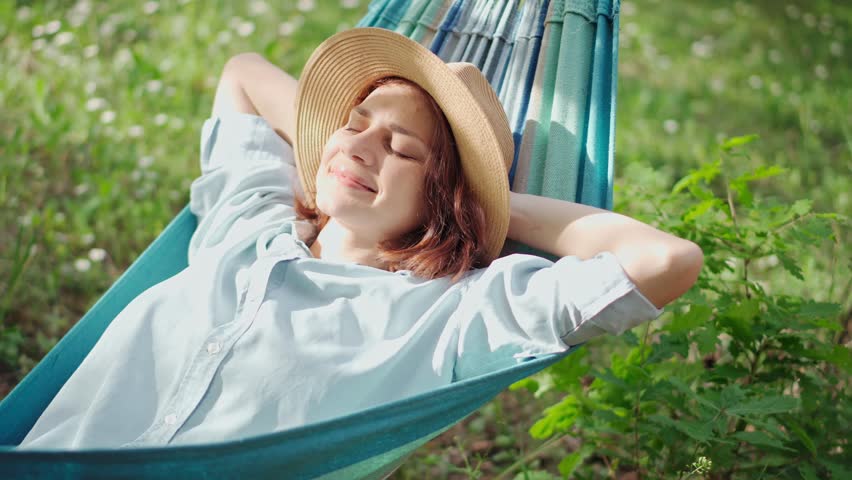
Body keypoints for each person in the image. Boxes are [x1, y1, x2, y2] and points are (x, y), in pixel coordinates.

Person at [18, 28, 702, 450]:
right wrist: (330, 141)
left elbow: (664, 260)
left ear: (442, 199)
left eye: (401, 149)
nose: (362, 143)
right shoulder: (249, 226)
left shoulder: (449, 317)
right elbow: (244, 72)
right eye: (356, 120)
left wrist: (489, 201)